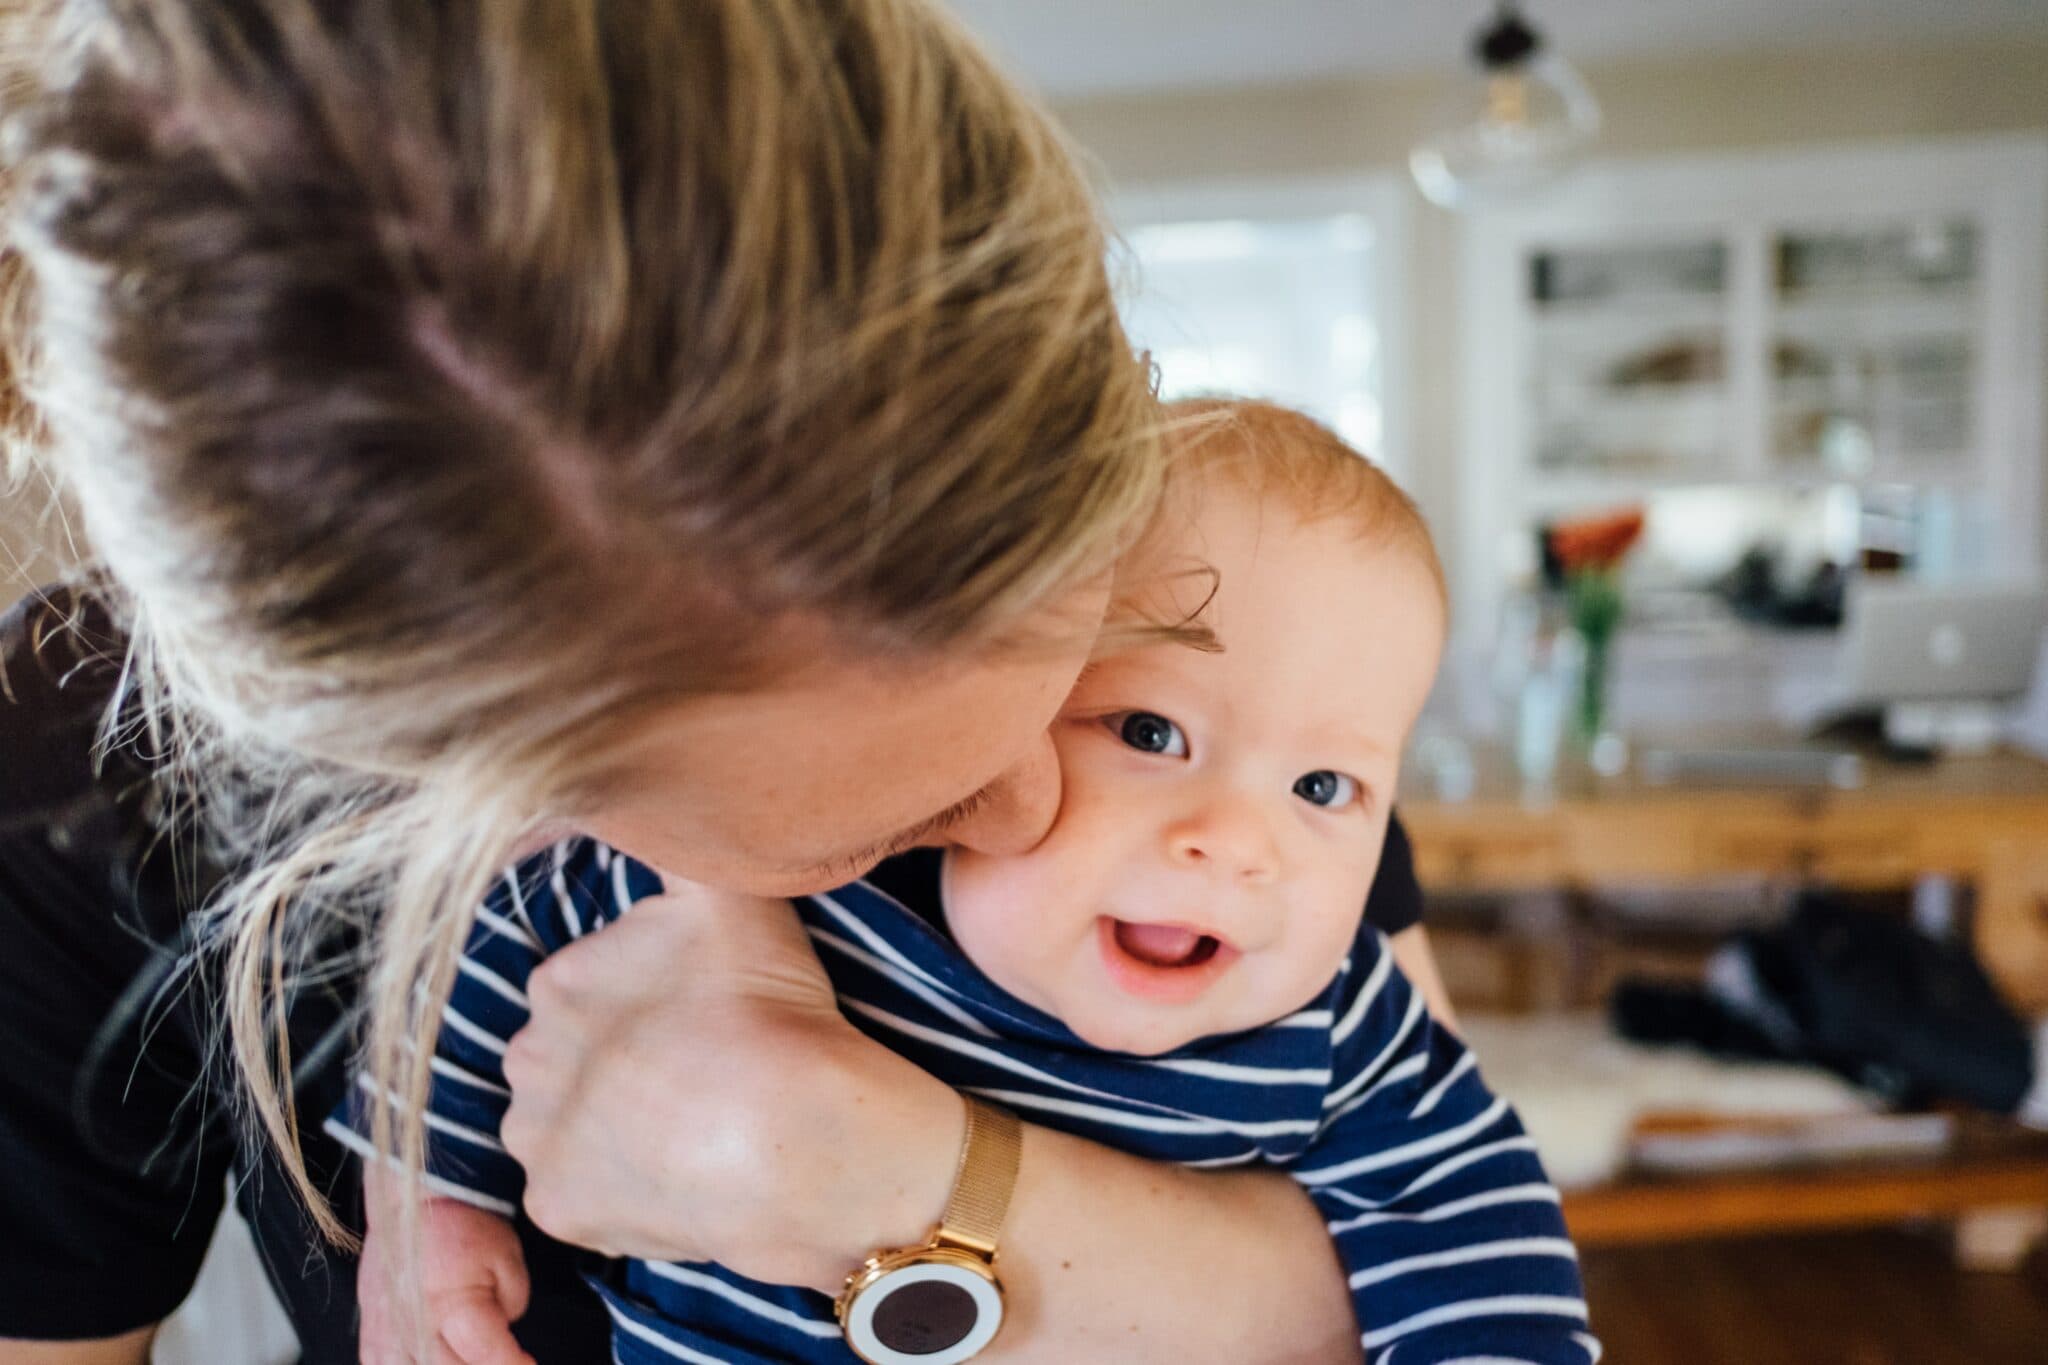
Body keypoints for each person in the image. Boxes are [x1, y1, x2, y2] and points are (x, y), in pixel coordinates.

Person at [0, 2, 1450, 1361]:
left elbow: (1443, 1245)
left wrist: (902, 1179)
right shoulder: (67, 799)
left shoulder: (1237, 671)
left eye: (1089, 682)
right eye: (887, 818)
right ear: (478, 787)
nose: (1037, 804)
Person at [344, 401, 1595, 1365]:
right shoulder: (821, 872)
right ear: (999, 699)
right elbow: (501, 942)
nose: (1234, 838)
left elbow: (1473, 1223)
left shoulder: (1337, 1023)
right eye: (1148, 734)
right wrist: (432, 1203)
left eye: (1323, 790)